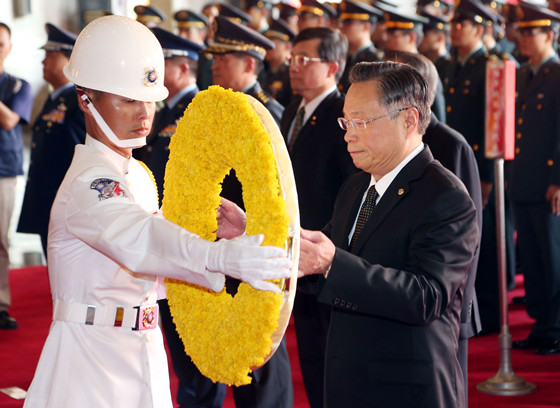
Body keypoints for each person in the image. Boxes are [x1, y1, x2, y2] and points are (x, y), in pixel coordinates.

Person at [22, 15, 291, 408]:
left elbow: (159, 258)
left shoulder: (138, 176)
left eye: (149, 99)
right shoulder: (90, 183)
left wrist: (217, 236)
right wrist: (216, 256)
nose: (144, 113)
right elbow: (139, 239)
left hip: (142, 348)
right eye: (128, 99)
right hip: (90, 359)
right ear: (86, 99)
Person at [298, 60, 479, 408]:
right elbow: (316, 253)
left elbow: (427, 297)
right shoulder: (355, 186)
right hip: (350, 379)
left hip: (406, 389)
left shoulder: (445, 196)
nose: (349, 133)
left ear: (409, 120)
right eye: (346, 121)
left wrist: (333, 264)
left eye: (362, 122)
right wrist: (252, 229)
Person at [205, 15, 294, 408]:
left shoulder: (265, 114)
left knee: (260, 350)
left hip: (257, 241)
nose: (215, 65)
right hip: (228, 241)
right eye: (214, 58)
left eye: (225, 59)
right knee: (238, 348)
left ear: (251, 64)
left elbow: (280, 193)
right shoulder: (224, 111)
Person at [385, 50, 482, 407]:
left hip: (444, 302)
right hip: (403, 294)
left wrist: (459, 308)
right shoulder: (387, 145)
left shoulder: (450, 144)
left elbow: (469, 239)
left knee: (445, 391)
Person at [280, 27, 358, 408]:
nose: (293, 67)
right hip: (299, 250)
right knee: (309, 350)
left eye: (304, 60)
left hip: (329, 251)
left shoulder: (343, 114)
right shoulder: (294, 109)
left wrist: (334, 246)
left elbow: (352, 188)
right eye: (292, 59)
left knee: (334, 355)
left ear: (331, 67)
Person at [440, 0, 516, 334]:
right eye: (454, 24)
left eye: (463, 24)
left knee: (484, 243)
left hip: (479, 167)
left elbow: (494, 122)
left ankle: (488, 309)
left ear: (480, 29)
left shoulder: (491, 65)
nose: (455, 29)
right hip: (453, 165)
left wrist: (486, 176)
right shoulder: (452, 64)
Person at [509, 2, 560, 356]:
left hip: (549, 184)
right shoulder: (525, 73)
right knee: (533, 256)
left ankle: (554, 327)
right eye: (522, 31)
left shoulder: (557, 74)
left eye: (531, 32)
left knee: (553, 259)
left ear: (550, 35)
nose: (523, 37)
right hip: (524, 181)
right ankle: (541, 325)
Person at [17, 23, 85, 257]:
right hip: (47, 195)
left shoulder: (76, 101)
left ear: (67, 61)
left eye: (50, 56)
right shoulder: (54, 98)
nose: (43, 62)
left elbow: (77, 150)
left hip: (63, 197)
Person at [0, 22, 33, 330]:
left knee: (0, 240)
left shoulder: (17, 85)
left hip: (4, 172)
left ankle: (0, 303)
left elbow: (10, 120)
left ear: (9, 48)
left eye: (0, 44)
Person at [337, 0, 385, 94]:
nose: (342, 26)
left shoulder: (375, 59)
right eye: (342, 22)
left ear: (366, 26)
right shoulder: (347, 56)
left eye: (349, 22)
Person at [262, 19, 296, 107]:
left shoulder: (291, 74)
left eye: (272, 42)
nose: (267, 47)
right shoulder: (268, 71)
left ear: (287, 46)